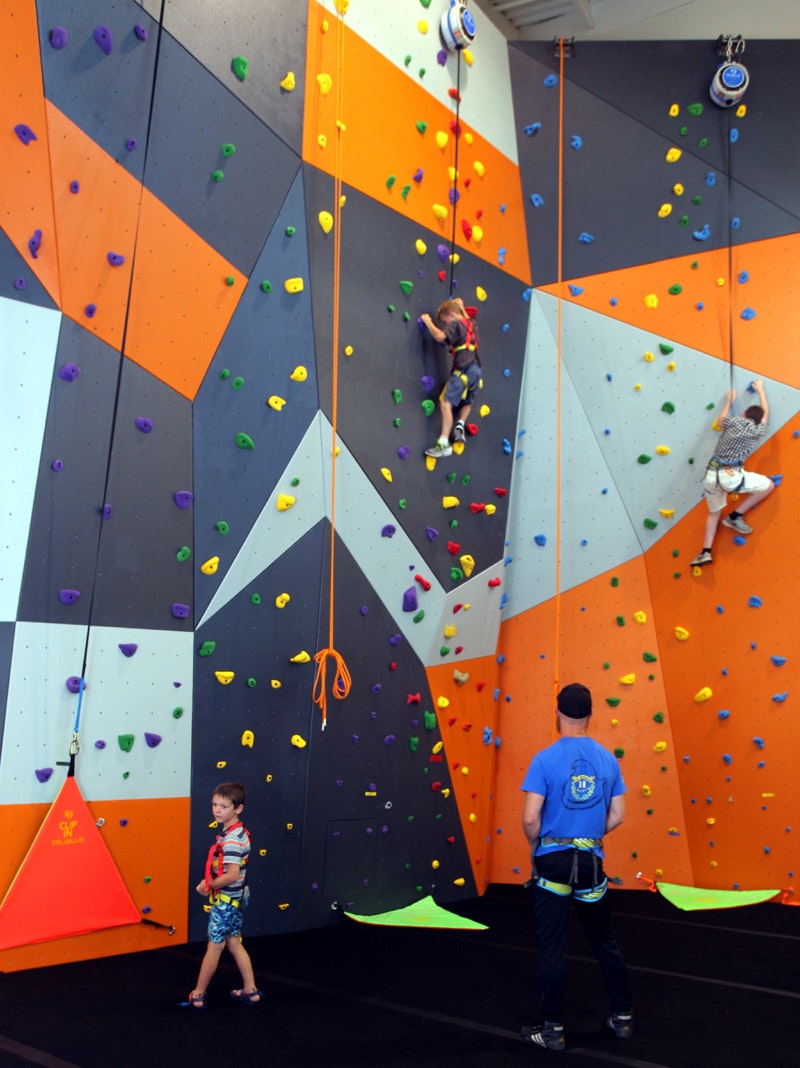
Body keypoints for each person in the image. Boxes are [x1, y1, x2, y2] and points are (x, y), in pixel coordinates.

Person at [520, 683, 633, 1052]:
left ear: (557, 714)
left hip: (552, 862)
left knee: (552, 948)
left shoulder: (544, 759)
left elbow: (531, 818)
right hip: (590, 862)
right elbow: (617, 814)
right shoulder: (606, 759)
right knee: (605, 942)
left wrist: (539, 845)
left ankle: (552, 1030)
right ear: (590, 715)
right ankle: (623, 1018)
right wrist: (586, 835)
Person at [181, 782, 263, 1009]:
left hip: (227, 900)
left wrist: (207, 886)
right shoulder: (239, 831)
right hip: (237, 898)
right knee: (234, 942)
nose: (217, 810)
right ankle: (250, 990)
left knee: (215, 946)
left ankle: (198, 993)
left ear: (238, 808)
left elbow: (232, 874)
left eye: (224, 806)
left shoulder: (232, 840)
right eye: (215, 805)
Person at [690, 380, 775, 567]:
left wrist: (730, 400)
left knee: (713, 514)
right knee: (768, 485)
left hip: (712, 476)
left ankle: (705, 552)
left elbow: (720, 421)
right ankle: (735, 516)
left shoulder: (734, 421)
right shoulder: (756, 429)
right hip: (731, 477)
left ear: (744, 414)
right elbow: (766, 415)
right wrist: (761, 391)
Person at [419, 297, 482, 458]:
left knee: (446, 404)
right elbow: (466, 317)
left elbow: (440, 337)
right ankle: (460, 424)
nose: (446, 326)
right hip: (476, 371)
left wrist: (428, 322)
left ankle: (443, 443)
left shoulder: (455, 324)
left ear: (451, 315)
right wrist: (461, 307)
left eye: (445, 321)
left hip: (462, 370)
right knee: (467, 400)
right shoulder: (471, 324)